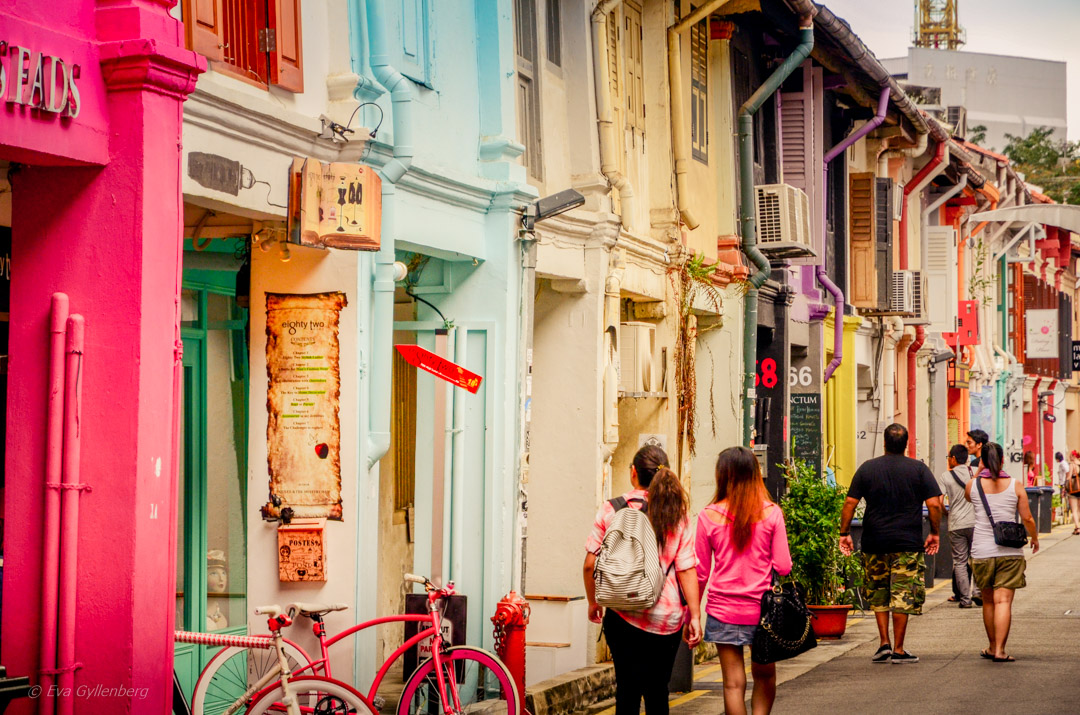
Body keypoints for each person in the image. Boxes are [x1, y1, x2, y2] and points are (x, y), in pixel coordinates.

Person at [583, 445, 701, 715]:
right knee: (658, 691)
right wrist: (694, 615)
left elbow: (590, 565)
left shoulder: (610, 509)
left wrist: (594, 601)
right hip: (666, 618)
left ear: (633, 473)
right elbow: (686, 568)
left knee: (626, 689)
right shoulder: (676, 512)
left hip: (622, 613)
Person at [696, 446, 791, 715]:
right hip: (763, 612)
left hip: (722, 609)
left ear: (722, 476)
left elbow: (701, 572)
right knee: (765, 677)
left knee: (733, 685)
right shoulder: (772, 513)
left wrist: (690, 613)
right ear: (755, 475)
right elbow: (783, 567)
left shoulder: (708, 516)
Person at [839, 424, 942, 664]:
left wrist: (844, 533)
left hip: (875, 542)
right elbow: (935, 505)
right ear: (906, 444)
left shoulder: (867, 468)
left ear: (884, 442)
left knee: (879, 594)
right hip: (907, 544)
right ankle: (899, 649)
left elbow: (849, 504)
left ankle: (883, 643)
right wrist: (935, 532)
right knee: (902, 595)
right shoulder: (918, 469)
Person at [965, 442, 1039, 662]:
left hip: (982, 551)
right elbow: (1027, 518)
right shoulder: (1015, 485)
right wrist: (1034, 538)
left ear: (983, 461)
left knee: (988, 602)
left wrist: (979, 471)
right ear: (1003, 460)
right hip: (1010, 552)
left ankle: (991, 646)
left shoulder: (973, 485)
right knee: (1003, 602)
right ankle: (1000, 651)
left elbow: (969, 498)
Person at [936, 445, 981, 608]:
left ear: (954, 458)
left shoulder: (946, 476)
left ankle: (965, 599)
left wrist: (946, 513)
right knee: (977, 558)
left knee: (960, 562)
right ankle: (977, 591)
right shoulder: (974, 472)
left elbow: (939, 501)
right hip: (976, 522)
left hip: (956, 524)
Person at [1068, 451, 1080, 535]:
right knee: (1079, 509)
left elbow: (1069, 477)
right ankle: (1077, 527)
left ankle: (1077, 527)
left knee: (1074, 509)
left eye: (1070, 456)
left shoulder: (1072, 465)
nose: (1069, 458)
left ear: (1073, 456)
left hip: (1074, 489)